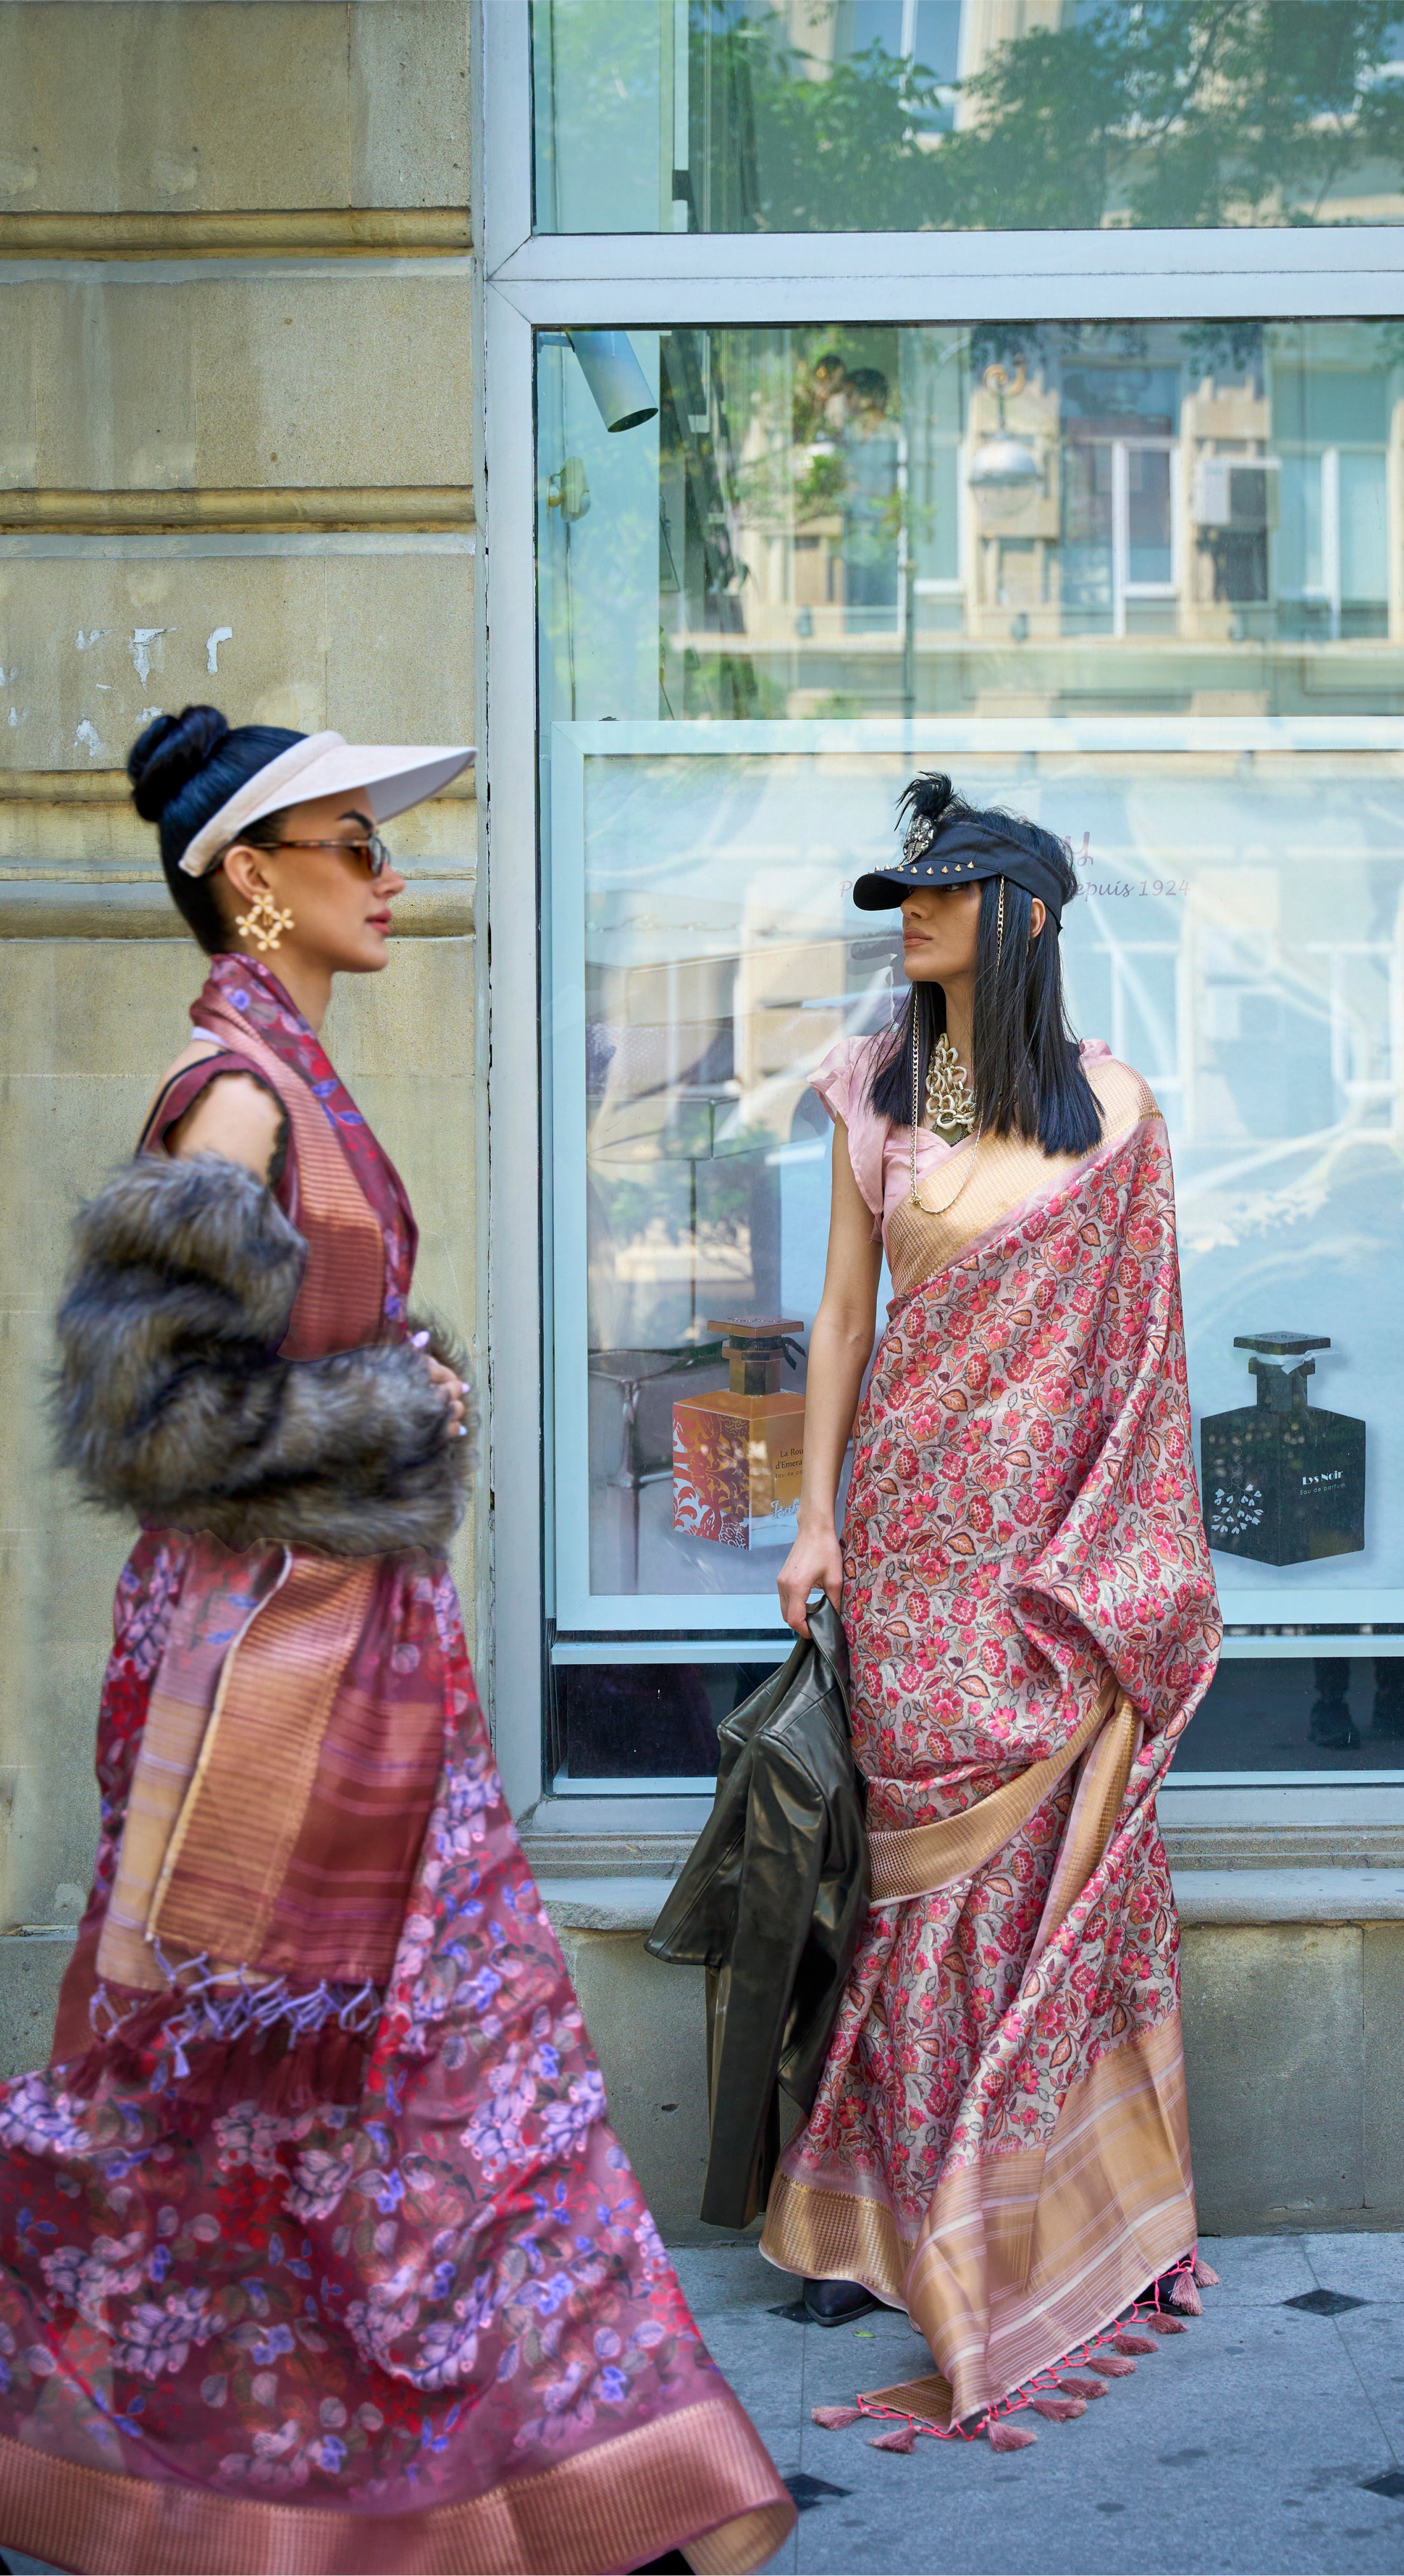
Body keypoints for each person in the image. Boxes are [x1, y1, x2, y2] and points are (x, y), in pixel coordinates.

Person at [0, 708, 792, 2575]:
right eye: (355, 844)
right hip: (264, 1672)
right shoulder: (237, 1094)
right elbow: (146, 1419)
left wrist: (384, 1376)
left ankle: (591, 2480)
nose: (393, 872)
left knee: (451, 2068)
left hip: (357, 1659)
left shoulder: (292, 1069)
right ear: (251, 880)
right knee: (244, 2085)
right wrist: (392, 1413)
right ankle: (250, 2484)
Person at [764, 772, 1221, 2430]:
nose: (913, 916)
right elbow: (834, 1322)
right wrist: (811, 1519)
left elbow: (1146, 1363)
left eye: (943, 891)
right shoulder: (873, 1090)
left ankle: (1068, 2211)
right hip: (905, 1543)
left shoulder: (1116, 1110)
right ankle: (876, 2222)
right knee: (917, 1883)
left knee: (1049, 1877)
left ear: (1019, 913)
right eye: (905, 894)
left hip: (1056, 1565)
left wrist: (1115, 1567)